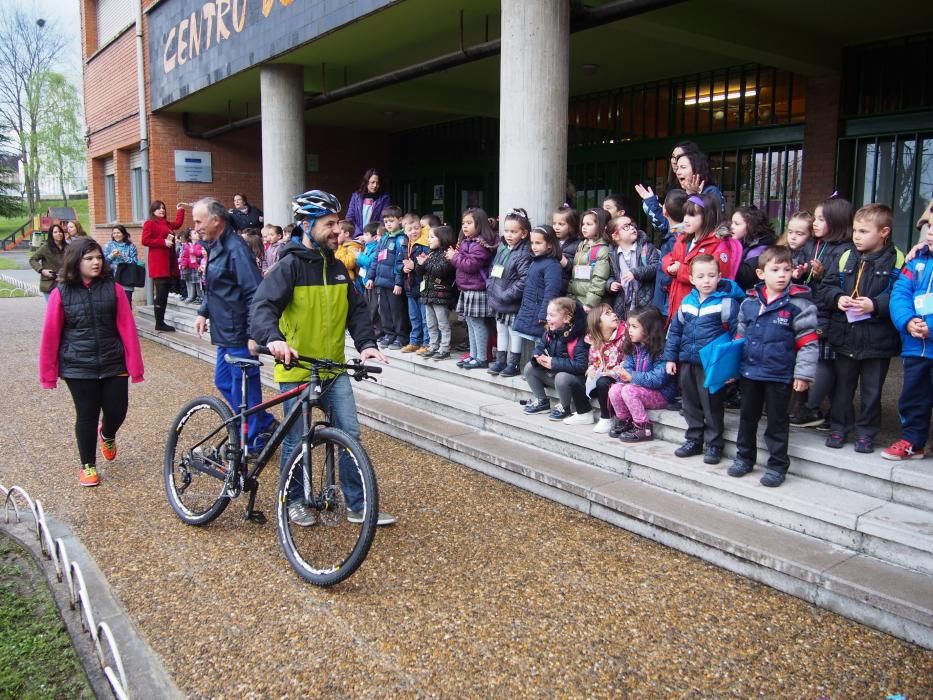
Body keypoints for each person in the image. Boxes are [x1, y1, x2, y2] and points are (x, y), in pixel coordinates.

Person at [249, 189, 395, 526]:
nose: (337, 231)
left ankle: (358, 506)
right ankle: (294, 501)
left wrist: (367, 344)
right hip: (297, 368)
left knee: (349, 436)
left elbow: (356, 311)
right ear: (306, 224)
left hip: (332, 369)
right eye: (329, 224)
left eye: (338, 224)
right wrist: (274, 339)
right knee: (297, 442)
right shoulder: (289, 266)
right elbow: (262, 308)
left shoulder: (338, 267)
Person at [38, 237, 144, 487]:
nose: (96, 262)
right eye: (89, 258)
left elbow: (127, 329)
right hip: (78, 365)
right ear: (76, 261)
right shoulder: (60, 292)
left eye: (98, 257)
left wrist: (135, 366)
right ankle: (87, 465)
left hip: (113, 361)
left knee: (118, 409)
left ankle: (107, 433)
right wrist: (48, 374)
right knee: (86, 414)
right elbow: (50, 335)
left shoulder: (113, 288)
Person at [191, 198, 277, 452]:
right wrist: (202, 312)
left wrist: (254, 334)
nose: (195, 227)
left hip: (239, 334)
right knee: (224, 382)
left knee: (244, 391)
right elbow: (216, 285)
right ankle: (263, 423)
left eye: (199, 221)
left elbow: (254, 293)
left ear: (216, 221)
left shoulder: (235, 248)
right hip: (224, 333)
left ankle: (255, 438)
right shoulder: (215, 245)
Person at [729, 247, 818, 487]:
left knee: (777, 423)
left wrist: (803, 374)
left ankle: (777, 466)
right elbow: (739, 339)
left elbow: (809, 343)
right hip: (750, 373)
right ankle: (744, 458)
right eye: (775, 269)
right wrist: (729, 370)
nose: (782, 275)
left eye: (787, 270)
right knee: (747, 419)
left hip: (780, 375)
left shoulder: (799, 306)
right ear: (760, 273)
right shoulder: (748, 303)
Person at [820, 204, 903, 453]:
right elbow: (826, 286)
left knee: (871, 391)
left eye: (864, 231)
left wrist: (875, 305)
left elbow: (900, 295)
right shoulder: (846, 256)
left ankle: (866, 433)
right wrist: (838, 299)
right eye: (855, 230)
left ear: (884, 232)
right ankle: (839, 427)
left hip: (878, 340)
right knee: (843, 387)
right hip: (845, 335)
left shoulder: (898, 259)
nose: (856, 236)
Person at [663, 254, 743, 464]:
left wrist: (732, 369)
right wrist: (670, 358)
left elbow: (738, 336)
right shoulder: (686, 302)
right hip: (687, 361)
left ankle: (714, 445)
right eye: (701, 276)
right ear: (692, 279)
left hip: (712, 364)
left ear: (719, 277)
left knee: (712, 405)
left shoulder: (727, 304)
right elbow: (675, 332)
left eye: (711, 275)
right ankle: (694, 440)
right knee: (690, 403)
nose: (706, 280)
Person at [789, 196, 854, 428]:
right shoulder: (811, 245)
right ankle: (820, 411)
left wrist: (821, 274)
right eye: (814, 219)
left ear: (836, 222)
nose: (814, 224)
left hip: (828, 313)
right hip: (808, 308)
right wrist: (800, 271)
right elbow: (801, 266)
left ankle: (812, 408)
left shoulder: (844, 249)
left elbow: (840, 283)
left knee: (823, 360)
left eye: (820, 219)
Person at [884, 216, 933, 460]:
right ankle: (913, 441)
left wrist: (931, 328)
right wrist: (907, 321)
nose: (930, 232)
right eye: (930, 226)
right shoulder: (917, 261)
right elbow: (900, 293)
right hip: (915, 346)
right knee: (914, 395)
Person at [662, 193, 737, 327]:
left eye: (691, 215)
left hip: (702, 313)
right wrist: (669, 266)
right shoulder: (684, 238)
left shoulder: (718, 244)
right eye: (685, 214)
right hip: (678, 307)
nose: (685, 219)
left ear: (707, 217)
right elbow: (669, 258)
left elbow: (717, 276)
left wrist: (679, 270)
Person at [607, 305, 675, 442]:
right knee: (615, 389)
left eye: (634, 326)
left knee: (629, 391)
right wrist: (621, 374)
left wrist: (632, 377)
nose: (629, 330)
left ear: (649, 329)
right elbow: (628, 369)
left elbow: (657, 380)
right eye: (629, 326)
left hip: (661, 394)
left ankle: (643, 427)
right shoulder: (633, 346)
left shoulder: (663, 350)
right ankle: (624, 420)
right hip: (639, 387)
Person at [522, 297, 591, 424]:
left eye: (552, 315)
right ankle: (542, 401)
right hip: (555, 375)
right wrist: (537, 357)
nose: (547, 318)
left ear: (567, 318)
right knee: (529, 368)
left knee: (561, 376)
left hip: (575, 382)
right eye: (547, 314)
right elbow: (540, 347)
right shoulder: (550, 332)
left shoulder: (580, 336)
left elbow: (582, 365)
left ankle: (564, 407)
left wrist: (553, 362)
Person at [448, 207, 499, 369]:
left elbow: (470, 265)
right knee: (470, 323)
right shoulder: (466, 242)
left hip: (477, 289)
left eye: (469, 223)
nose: (465, 226)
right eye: (463, 223)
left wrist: (454, 256)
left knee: (477, 323)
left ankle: (482, 358)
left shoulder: (481, 244)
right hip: (467, 288)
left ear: (480, 224)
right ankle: (474, 355)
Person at [486, 207, 532, 376]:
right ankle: (500, 361)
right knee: (501, 330)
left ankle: (514, 364)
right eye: (506, 231)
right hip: (498, 298)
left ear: (524, 233)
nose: (509, 235)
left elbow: (524, 279)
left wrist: (507, 295)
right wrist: (489, 285)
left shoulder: (524, 253)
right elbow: (494, 269)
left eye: (513, 231)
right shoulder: (502, 248)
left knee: (514, 332)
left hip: (512, 302)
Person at [636, 186, 687, 317]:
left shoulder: (675, 238)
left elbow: (667, 275)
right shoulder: (681, 232)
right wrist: (651, 201)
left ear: (664, 211)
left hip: (667, 299)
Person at [513, 225, 564, 347]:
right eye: (532, 243)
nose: (534, 246)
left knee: (541, 346)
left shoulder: (552, 265)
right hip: (531, 310)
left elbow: (552, 291)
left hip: (541, 313)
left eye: (538, 243)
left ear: (550, 244)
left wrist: (545, 314)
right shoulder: (536, 261)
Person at [366, 205, 409, 350]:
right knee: (384, 310)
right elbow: (375, 260)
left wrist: (398, 283)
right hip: (381, 282)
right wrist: (370, 278)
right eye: (386, 221)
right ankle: (389, 334)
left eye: (391, 220)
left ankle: (401, 336)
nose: (388, 224)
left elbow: (400, 263)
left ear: (400, 220)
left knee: (397, 311)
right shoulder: (383, 239)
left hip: (393, 283)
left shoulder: (401, 239)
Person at [142, 199, 186, 331]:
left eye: (163, 208)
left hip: (168, 263)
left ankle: (160, 321)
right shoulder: (150, 223)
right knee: (161, 293)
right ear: (153, 210)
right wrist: (162, 242)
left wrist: (180, 210)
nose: (162, 210)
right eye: (158, 208)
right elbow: (145, 240)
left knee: (164, 293)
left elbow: (177, 224)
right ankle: (159, 322)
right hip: (158, 264)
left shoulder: (165, 223)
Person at [416, 224, 457, 361]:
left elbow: (440, 271)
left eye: (432, 237)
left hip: (441, 295)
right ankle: (433, 346)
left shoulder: (447, 254)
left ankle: (444, 348)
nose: (429, 240)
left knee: (443, 323)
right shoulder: (430, 253)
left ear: (442, 238)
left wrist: (425, 264)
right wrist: (420, 264)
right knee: (431, 323)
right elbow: (421, 273)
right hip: (428, 294)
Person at [584, 304, 627, 433]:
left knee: (603, 382)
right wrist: (592, 368)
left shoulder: (624, 337)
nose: (614, 314)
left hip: (621, 378)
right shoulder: (595, 341)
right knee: (582, 380)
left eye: (612, 311)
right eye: (607, 314)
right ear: (598, 323)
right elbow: (593, 361)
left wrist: (612, 372)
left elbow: (628, 362)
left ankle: (607, 418)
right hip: (603, 376)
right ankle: (583, 413)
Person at [605, 214, 659, 315]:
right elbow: (611, 275)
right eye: (626, 226)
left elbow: (656, 266)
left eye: (632, 224)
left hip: (644, 299)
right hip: (623, 301)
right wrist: (610, 284)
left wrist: (636, 273)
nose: (632, 227)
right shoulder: (612, 254)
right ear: (615, 236)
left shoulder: (646, 247)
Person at [568, 208, 611, 311]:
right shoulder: (581, 245)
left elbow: (599, 279)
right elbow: (574, 275)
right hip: (576, 300)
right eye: (583, 224)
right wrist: (569, 296)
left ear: (600, 226)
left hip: (589, 304)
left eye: (589, 224)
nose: (584, 227)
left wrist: (590, 304)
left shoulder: (602, 249)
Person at [400, 213, 430, 353]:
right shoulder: (405, 244)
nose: (413, 232)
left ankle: (427, 343)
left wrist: (415, 267)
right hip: (410, 286)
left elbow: (429, 265)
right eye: (410, 229)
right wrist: (403, 268)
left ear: (421, 227)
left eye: (416, 228)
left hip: (423, 286)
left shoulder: (425, 244)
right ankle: (414, 341)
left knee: (425, 317)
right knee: (414, 317)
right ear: (405, 232)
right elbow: (398, 264)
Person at [731, 205, 777, 291]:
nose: (731, 226)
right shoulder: (743, 242)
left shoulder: (761, 248)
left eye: (736, 224)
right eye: (732, 222)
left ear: (751, 226)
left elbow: (744, 276)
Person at [346, 168, 391, 237]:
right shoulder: (356, 197)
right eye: (372, 182)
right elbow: (350, 218)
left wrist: (370, 235)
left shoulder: (384, 198)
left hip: (374, 237)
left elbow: (383, 220)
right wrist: (359, 234)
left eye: (377, 183)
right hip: (357, 237)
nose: (375, 185)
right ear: (367, 182)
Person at [355, 222, 382, 336]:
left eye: (366, 235)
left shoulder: (376, 247)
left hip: (373, 282)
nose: (363, 237)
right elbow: (361, 263)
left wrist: (359, 256)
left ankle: (378, 331)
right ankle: (371, 329)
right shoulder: (367, 247)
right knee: (368, 306)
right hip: (366, 280)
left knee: (374, 308)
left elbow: (369, 262)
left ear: (375, 237)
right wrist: (360, 257)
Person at [103, 224, 139, 306]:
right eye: (114, 233)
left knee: (126, 303)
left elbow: (134, 262)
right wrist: (112, 255)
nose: (116, 235)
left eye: (118, 233)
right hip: (112, 277)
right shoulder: (108, 245)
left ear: (123, 234)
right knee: (113, 304)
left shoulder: (131, 246)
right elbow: (104, 262)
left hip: (126, 277)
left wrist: (123, 256)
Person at [30, 223, 67, 300]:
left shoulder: (68, 247)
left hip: (65, 284)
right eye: (55, 232)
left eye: (60, 232)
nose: (59, 234)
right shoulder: (45, 247)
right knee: (53, 310)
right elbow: (32, 260)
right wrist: (42, 270)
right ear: (51, 235)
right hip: (50, 284)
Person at [552, 205, 581, 291]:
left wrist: (565, 262)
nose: (556, 227)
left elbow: (577, 268)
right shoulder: (551, 241)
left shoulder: (578, 244)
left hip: (566, 287)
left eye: (561, 224)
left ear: (572, 225)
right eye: (554, 223)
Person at [178, 228, 205, 302]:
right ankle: (192, 296)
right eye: (195, 233)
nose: (197, 234)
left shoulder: (200, 243)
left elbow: (200, 253)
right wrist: (183, 264)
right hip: (190, 267)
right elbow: (185, 256)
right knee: (192, 282)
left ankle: (200, 296)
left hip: (198, 266)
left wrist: (194, 251)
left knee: (198, 282)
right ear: (190, 237)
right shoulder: (187, 245)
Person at [335, 219, 363, 284]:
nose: (335, 236)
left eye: (338, 233)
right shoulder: (340, 246)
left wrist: (339, 247)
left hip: (349, 281)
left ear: (346, 234)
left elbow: (348, 264)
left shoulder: (353, 246)